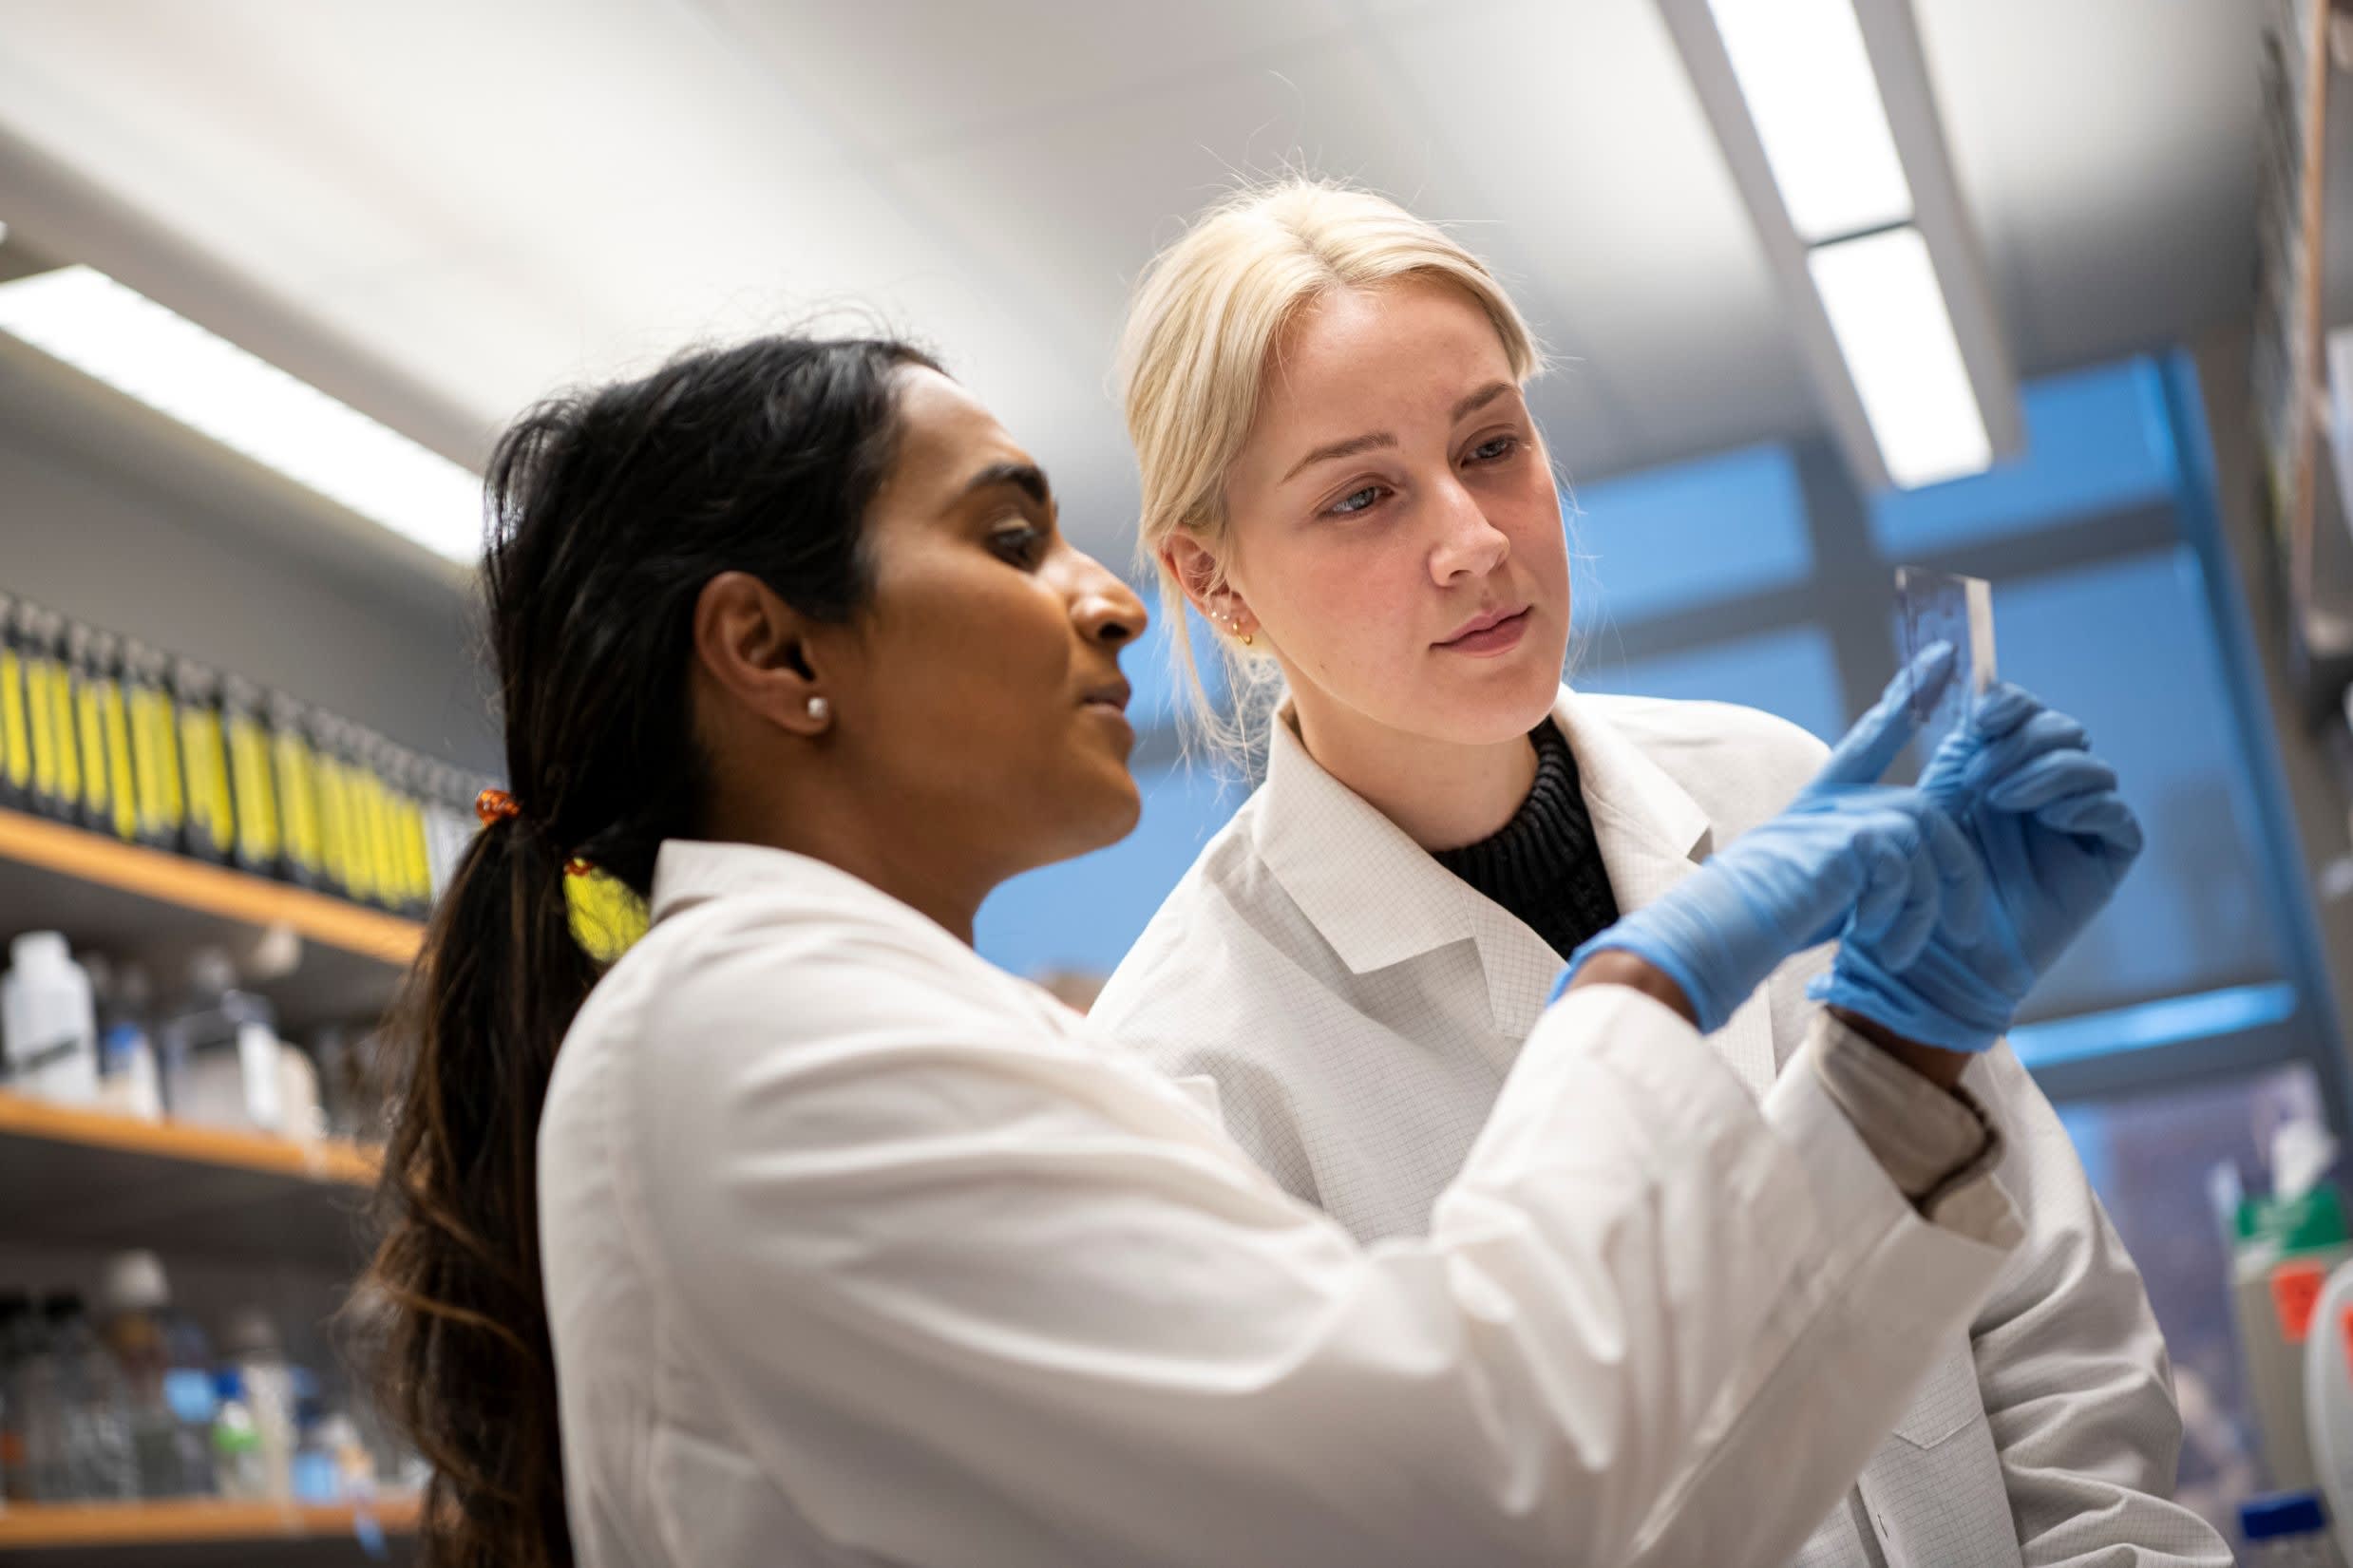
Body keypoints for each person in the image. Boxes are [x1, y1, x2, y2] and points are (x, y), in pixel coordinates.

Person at [367, 333, 2059, 1568]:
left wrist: (1897, 1079)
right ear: (770, 648)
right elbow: (1478, 1482)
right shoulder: (765, 1045)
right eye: (1013, 541)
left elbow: (1576, 1505)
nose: (1104, 603)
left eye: (1492, 448)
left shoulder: (841, 1025)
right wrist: (1633, 990)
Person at [1092, 179, 2231, 1567]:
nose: (1474, 539)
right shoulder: (1190, 1069)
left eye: (1491, 444)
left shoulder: (1766, 787)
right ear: (1212, 583)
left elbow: (2048, 1315)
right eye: (1364, 496)